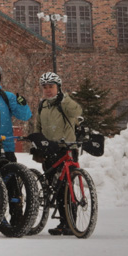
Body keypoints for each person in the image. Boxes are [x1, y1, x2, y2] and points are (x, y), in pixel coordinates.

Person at [25, 71, 83, 235]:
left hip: (67, 148)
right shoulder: (43, 105)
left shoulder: (64, 102)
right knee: (55, 186)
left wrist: (65, 98)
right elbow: (38, 127)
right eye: (45, 87)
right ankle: (64, 223)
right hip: (49, 149)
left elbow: (77, 112)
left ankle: (70, 223)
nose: (48, 90)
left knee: (67, 185)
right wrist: (37, 140)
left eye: (51, 87)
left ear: (58, 87)